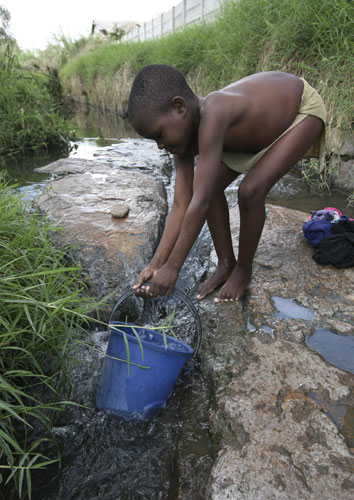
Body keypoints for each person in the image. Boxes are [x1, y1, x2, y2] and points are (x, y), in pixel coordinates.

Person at [127, 64, 326, 302]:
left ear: (179, 107)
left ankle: (243, 271)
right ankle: (225, 263)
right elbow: (182, 204)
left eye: (159, 135)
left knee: (250, 191)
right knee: (208, 187)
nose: (160, 145)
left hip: (299, 113)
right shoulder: (181, 143)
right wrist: (156, 265)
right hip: (255, 134)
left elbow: (199, 202)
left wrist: (173, 268)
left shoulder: (214, 112)